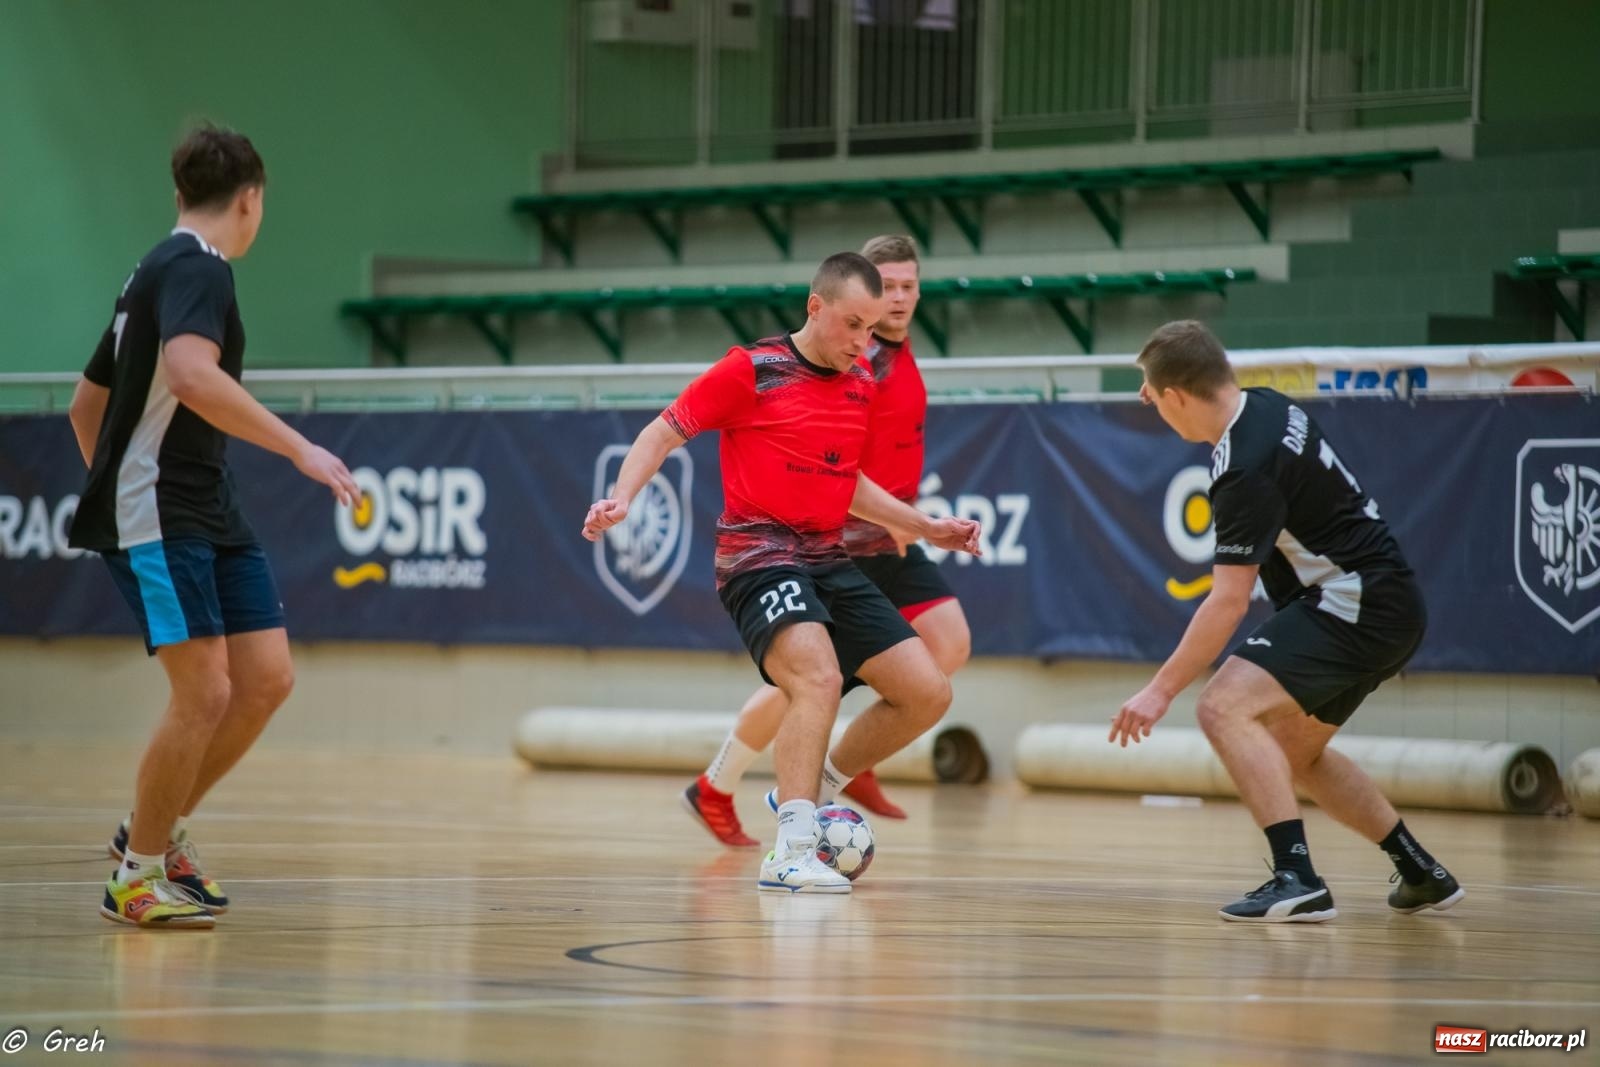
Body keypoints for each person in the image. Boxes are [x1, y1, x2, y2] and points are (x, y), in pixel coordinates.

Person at [583, 252, 979, 893]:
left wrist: (926, 526)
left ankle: (810, 794)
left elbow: (846, 480)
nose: (862, 342)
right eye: (852, 325)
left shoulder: (861, 381)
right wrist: (623, 498)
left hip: (827, 557)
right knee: (818, 677)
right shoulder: (751, 370)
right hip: (758, 556)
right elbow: (663, 432)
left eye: (871, 329)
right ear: (815, 307)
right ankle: (790, 853)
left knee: (927, 692)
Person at [67, 124, 359, 928]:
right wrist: (300, 447)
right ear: (251, 200)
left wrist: (114, 476)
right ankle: (136, 876)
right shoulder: (198, 266)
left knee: (265, 678)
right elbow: (193, 376)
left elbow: (85, 407)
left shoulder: (151, 270)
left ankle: (152, 831)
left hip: (208, 504)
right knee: (204, 691)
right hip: (163, 511)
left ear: (180, 193)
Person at [1109, 320, 1463, 923]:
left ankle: (1296, 879)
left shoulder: (1243, 468)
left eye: (1154, 394)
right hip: (1388, 602)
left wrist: (1158, 691)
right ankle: (1418, 870)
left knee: (1221, 708)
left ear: (1175, 396)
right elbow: (1185, 373)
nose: (1151, 404)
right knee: (1291, 753)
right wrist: (1161, 374)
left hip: (1354, 603)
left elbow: (1227, 601)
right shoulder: (1267, 405)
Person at [683, 234, 971, 846]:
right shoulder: (857, 359)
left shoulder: (888, 353)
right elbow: (825, 463)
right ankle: (732, 785)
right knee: (814, 679)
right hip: (844, 542)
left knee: (940, 651)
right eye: (886, 287)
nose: (898, 298)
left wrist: (917, 523)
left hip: (893, 538)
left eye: (908, 286)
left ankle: (836, 768)